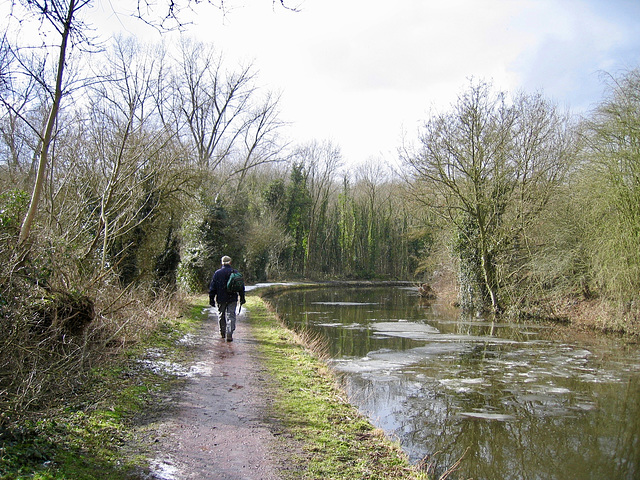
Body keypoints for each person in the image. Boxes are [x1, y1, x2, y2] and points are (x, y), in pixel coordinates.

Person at [209, 255, 245, 342]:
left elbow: (213, 287)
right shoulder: (235, 272)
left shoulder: (217, 273)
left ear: (222, 263)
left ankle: (222, 332)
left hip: (221, 298)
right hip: (232, 298)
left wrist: (211, 298)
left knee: (221, 315)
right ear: (230, 262)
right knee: (231, 315)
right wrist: (242, 298)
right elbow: (241, 287)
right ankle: (229, 333)